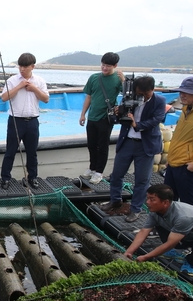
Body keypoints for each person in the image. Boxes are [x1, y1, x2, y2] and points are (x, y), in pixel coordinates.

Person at [100, 75, 166, 222]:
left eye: (145, 93)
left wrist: (138, 125)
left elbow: (157, 119)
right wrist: (117, 114)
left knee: (142, 179)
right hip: (127, 141)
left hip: (145, 144)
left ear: (152, 89)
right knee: (116, 174)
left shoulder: (159, 101)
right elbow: (119, 120)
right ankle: (115, 200)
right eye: (139, 92)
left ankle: (136, 208)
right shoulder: (129, 97)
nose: (141, 96)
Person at [0, 53, 49, 190]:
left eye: (25, 67)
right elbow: (4, 97)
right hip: (15, 121)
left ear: (32, 66)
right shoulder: (12, 80)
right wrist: (20, 86)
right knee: (10, 151)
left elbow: (45, 99)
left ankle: (32, 177)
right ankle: (5, 178)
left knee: (32, 152)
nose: (22, 69)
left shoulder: (39, 81)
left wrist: (34, 88)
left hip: (32, 121)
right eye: (20, 66)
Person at [124, 184, 193, 273]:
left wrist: (146, 257)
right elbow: (144, 231)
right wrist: (129, 252)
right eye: (147, 198)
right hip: (185, 233)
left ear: (165, 202)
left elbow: (170, 244)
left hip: (189, 232)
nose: (147, 202)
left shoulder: (183, 217)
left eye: (152, 199)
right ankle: (179, 250)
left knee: (191, 259)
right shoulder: (155, 211)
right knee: (160, 224)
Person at [79, 52, 123, 184]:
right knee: (91, 144)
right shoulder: (94, 77)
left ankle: (99, 172)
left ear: (115, 66)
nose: (104, 68)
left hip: (106, 117)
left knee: (102, 146)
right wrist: (83, 114)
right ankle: (92, 168)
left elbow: (128, 95)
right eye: (103, 65)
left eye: (108, 66)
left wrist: (125, 81)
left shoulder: (118, 79)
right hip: (92, 116)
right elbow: (89, 97)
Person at [164, 77, 193, 205]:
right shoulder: (185, 109)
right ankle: (168, 225)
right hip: (174, 163)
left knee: (188, 204)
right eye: (181, 92)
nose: (183, 95)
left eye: (187, 92)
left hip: (186, 166)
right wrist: (170, 158)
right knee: (168, 201)